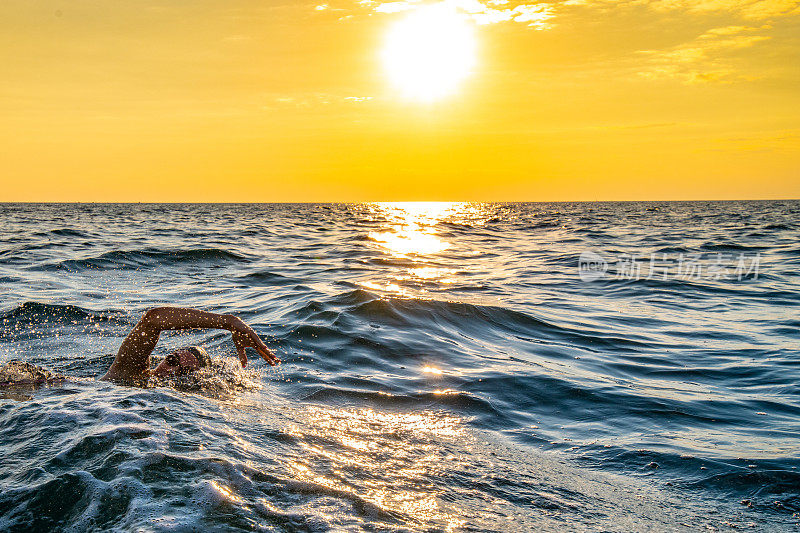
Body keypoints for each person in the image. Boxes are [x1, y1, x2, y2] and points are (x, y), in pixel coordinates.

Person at [95, 307, 278, 384]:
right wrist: (228, 322)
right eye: (172, 360)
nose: (171, 370)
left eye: (184, 372)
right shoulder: (130, 371)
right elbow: (152, 321)